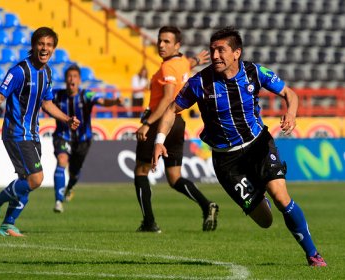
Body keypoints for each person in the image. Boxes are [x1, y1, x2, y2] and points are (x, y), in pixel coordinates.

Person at [152, 26, 327, 267]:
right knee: (265, 221)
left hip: (258, 145)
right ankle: (258, 192)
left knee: (281, 197)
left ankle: (313, 255)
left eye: (221, 50)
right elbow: (172, 109)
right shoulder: (200, 82)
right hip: (226, 161)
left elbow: (289, 93)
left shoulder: (254, 72)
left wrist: (292, 113)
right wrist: (159, 141)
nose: (214, 56)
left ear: (236, 53)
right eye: (213, 50)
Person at [0, 27, 80, 237]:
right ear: (33, 46)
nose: (45, 48)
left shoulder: (47, 72)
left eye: (49, 45)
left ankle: (8, 224)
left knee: (26, 181)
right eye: (41, 44)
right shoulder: (19, 71)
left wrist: (66, 119)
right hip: (16, 133)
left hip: (32, 134)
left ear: (54, 49)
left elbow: (47, 104)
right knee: (36, 179)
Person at [134, 26, 218, 233]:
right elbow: (186, 64)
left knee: (141, 171)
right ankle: (206, 205)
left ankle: (149, 222)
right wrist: (196, 60)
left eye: (166, 42)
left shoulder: (167, 68)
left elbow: (168, 98)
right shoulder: (180, 62)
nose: (161, 45)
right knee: (174, 177)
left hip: (160, 122)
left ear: (177, 45)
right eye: (160, 40)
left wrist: (148, 123)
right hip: (178, 123)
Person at [52, 64, 122, 213]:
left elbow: (102, 101)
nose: (72, 79)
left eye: (75, 76)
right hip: (62, 136)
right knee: (62, 161)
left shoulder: (86, 95)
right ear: (65, 79)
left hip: (83, 140)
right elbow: (41, 101)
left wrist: (114, 102)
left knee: (75, 172)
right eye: (69, 76)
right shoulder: (57, 95)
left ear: (79, 80)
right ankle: (58, 201)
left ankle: (70, 187)